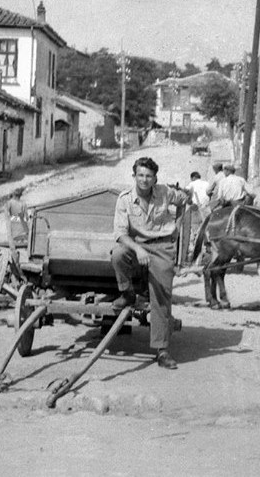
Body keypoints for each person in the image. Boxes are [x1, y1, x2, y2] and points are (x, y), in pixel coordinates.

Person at [111, 157, 188, 370]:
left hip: (162, 247)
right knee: (118, 255)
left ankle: (162, 350)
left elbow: (183, 200)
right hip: (138, 246)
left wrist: (177, 227)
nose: (144, 180)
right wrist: (137, 248)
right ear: (134, 176)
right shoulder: (125, 199)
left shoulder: (165, 192)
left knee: (161, 295)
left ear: (155, 178)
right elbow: (119, 233)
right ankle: (127, 294)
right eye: (140, 175)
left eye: (149, 176)